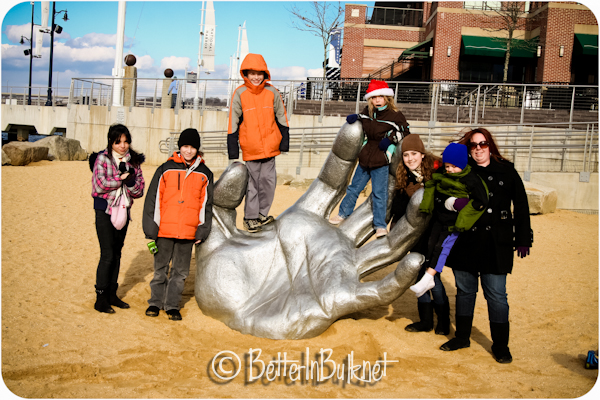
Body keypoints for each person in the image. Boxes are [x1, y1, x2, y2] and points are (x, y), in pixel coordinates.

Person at [442, 128, 533, 364]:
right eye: (473, 145)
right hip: (466, 241)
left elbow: (521, 206)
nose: (478, 149)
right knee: (465, 292)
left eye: (483, 144)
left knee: (496, 295)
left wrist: (523, 238)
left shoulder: (506, 169)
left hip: (496, 243)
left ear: (490, 145)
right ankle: (462, 337)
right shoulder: (461, 170)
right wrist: (452, 203)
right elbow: (442, 195)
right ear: (469, 149)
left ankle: (501, 345)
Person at [142, 128, 213, 321]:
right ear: (179, 147)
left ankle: (172, 306)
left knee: (180, 273)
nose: (188, 151)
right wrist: (151, 228)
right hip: (164, 229)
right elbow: (153, 200)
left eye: (192, 147)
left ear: (197, 149)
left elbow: (206, 205)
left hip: (188, 232)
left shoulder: (205, 174)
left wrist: (202, 230)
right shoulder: (165, 169)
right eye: (185, 146)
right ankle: (155, 303)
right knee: (160, 270)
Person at [329, 80, 410, 237]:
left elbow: (405, 131)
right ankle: (343, 213)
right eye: (374, 97)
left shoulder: (395, 115)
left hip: (381, 158)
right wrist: (356, 117)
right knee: (354, 188)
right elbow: (364, 118)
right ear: (370, 99)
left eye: (380, 97)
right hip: (366, 156)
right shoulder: (368, 111)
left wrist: (391, 139)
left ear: (387, 98)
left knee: (379, 193)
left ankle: (380, 225)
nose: (377, 100)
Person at [389, 134, 450, 335]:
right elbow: (398, 209)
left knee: (434, 279)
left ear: (422, 155)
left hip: (432, 237)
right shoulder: (403, 177)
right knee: (416, 276)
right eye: (406, 155)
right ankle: (425, 320)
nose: (410, 158)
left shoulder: (436, 174)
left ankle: (443, 321)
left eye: (414, 154)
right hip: (413, 237)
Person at [227, 53, 289, 233]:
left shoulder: (272, 92)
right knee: (253, 184)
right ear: (245, 73)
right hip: (251, 147)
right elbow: (233, 121)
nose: (255, 77)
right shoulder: (240, 93)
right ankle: (250, 217)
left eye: (259, 73)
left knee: (269, 182)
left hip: (271, 146)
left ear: (265, 74)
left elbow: (281, 116)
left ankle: (262, 214)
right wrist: (233, 148)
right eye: (252, 73)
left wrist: (284, 141)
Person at [91, 124, 145, 314]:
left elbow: (139, 190)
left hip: (124, 211)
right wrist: (122, 179)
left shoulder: (134, 161)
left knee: (117, 253)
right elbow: (99, 185)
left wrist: (129, 180)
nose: (123, 146)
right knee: (107, 254)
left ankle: (112, 295)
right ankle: (101, 298)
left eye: (126, 141)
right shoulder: (102, 158)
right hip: (104, 211)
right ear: (111, 142)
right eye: (118, 142)